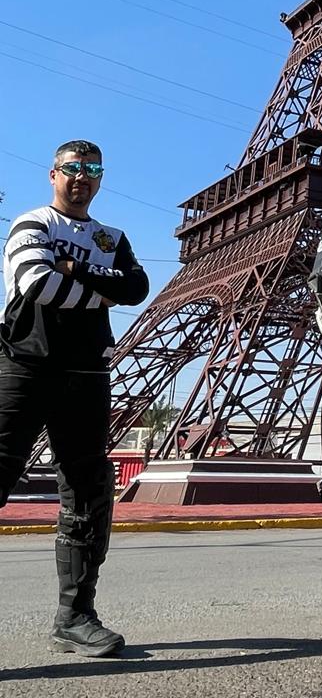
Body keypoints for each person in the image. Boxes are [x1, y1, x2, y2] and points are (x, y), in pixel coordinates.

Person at [0, 140, 149, 657]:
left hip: (86, 372)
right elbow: (34, 284)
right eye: (71, 168)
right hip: (25, 363)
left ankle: (76, 616)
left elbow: (137, 289)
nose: (81, 176)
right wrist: (102, 291)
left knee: (88, 492)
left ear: (100, 177)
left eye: (91, 168)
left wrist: (72, 268)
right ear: (53, 174)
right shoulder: (33, 222)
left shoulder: (112, 237)